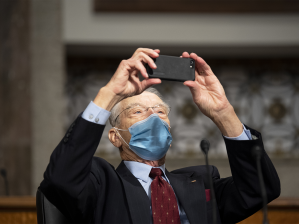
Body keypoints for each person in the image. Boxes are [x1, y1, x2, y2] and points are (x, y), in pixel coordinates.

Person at [39, 48, 280, 224]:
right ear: (114, 137)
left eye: (160, 112)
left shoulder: (201, 182)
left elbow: (260, 189)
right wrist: (109, 93)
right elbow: (60, 178)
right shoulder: (101, 183)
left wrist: (223, 113)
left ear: (170, 133)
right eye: (138, 111)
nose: (153, 117)